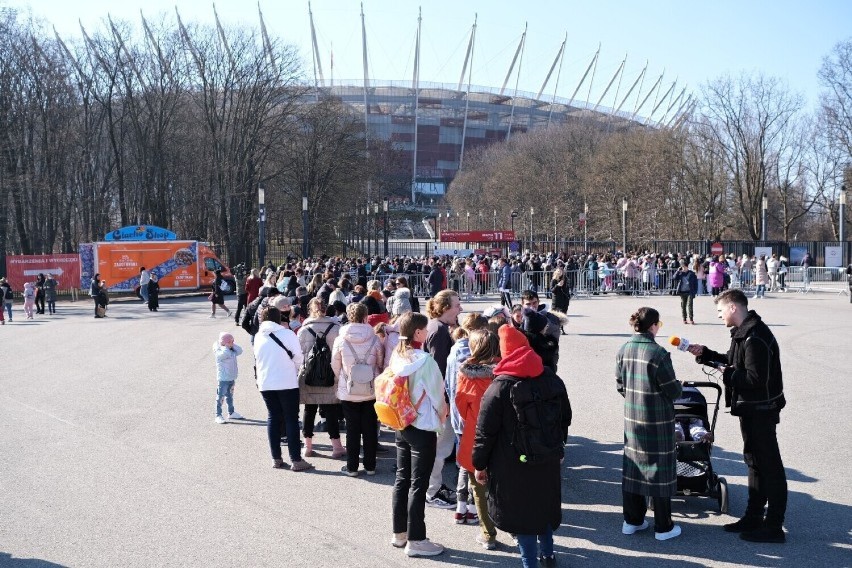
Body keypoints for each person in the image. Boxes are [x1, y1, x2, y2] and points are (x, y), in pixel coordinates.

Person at [687, 289, 788, 543]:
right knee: (754, 463)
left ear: (733, 308)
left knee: (770, 468)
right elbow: (732, 362)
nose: (719, 315)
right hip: (751, 408)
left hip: (761, 410)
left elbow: (755, 378)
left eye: (720, 310)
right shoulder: (743, 334)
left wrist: (726, 373)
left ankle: (774, 526)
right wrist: (706, 355)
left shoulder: (755, 337)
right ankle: (753, 517)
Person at [472, 325, 571, 567]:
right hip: (547, 455)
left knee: (522, 513)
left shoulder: (499, 387)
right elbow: (565, 417)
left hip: (511, 462)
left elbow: (485, 432)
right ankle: (548, 555)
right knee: (544, 506)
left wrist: (479, 464)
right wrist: (559, 446)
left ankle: (530, 563)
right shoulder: (550, 376)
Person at [616, 307, 683, 541]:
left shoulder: (624, 349)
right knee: (659, 471)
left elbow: (620, 385)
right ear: (653, 326)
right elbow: (673, 390)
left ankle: (632, 521)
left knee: (634, 466)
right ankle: (663, 527)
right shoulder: (658, 353)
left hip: (633, 418)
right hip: (657, 419)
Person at [388, 312, 447, 557]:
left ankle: (400, 533)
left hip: (401, 421)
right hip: (422, 425)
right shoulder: (425, 361)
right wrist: (443, 419)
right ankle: (417, 539)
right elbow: (437, 396)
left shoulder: (397, 355)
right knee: (419, 484)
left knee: (402, 479)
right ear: (418, 333)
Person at [454, 329, 499, 550]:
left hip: (476, 436)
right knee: (504, 487)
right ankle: (514, 528)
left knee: (478, 489)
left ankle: (488, 533)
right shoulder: (504, 371)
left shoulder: (467, 374)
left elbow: (461, 406)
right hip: (503, 437)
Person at [254, 306, 313, 472]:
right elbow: (299, 357)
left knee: (273, 417)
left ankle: (276, 458)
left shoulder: (259, 336)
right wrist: (293, 369)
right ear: (279, 318)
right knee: (291, 419)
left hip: (265, 382)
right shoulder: (287, 334)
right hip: (286, 381)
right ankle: (296, 459)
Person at [332, 302, 384, 476]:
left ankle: (352, 467)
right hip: (370, 389)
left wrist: (342, 379)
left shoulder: (341, 339)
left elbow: (335, 365)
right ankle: (370, 466)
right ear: (365, 316)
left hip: (349, 389)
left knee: (352, 430)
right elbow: (380, 362)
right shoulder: (374, 338)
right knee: (370, 429)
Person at [424, 290, 463, 510]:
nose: (460, 309)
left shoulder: (437, 326)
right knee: (440, 448)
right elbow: (438, 370)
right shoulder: (439, 330)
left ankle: (434, 487)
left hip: (438, 399)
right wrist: (444, 403)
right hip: (440, 400)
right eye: (457, 305)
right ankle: (432, 491)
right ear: (445, 307)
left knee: (439, 448)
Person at [297, 298, 344, 459]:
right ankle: (337, 447)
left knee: (309, 410)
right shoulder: (336, 328)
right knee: (331, 410)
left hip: (310, 374)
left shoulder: (304, 330)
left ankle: (307, 446)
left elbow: (300, 354)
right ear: (326, 309)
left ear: (310, 310)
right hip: (331, 373)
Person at [213, 332, 244, 424]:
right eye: (230, 341)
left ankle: (231, 412)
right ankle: (218, 415)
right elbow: (224, 354)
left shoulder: (232, 350)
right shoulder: (221, 352)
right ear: (224, 343)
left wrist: (232, 344)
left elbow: (240, 350)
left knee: (230, 396)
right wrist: (225, 346)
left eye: (233, 341)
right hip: (223, 379)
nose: (232, 343)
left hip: (231, 378)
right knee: (220, 397)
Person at [672, 260, 697, 324]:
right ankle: (684, 318)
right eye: (682, 267)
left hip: (689, 292)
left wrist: (695, 291)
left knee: (690, 305)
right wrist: (678, 271)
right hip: (682, 292)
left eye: (684, 267)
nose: (683, 268)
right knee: (683, 305)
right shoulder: (680, 273)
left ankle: (691, 318)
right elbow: (674, 278)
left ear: (687, 267)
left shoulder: (691, 273)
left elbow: (695, 283)